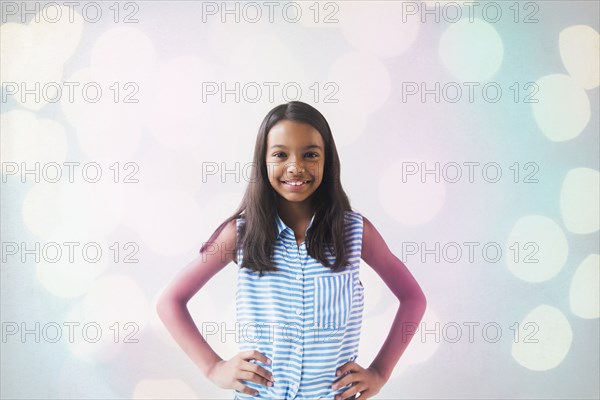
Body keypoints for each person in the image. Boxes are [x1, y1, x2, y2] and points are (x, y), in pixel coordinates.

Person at [157, 101, 427, 400]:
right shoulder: (240, 234)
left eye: (310, 154)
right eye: (280, 154)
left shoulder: (354, 232)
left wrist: (380, 372)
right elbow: (171, 301)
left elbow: (413, 298)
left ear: (328, 161)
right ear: (263, 161)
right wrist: (213, 368)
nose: (296, 167)